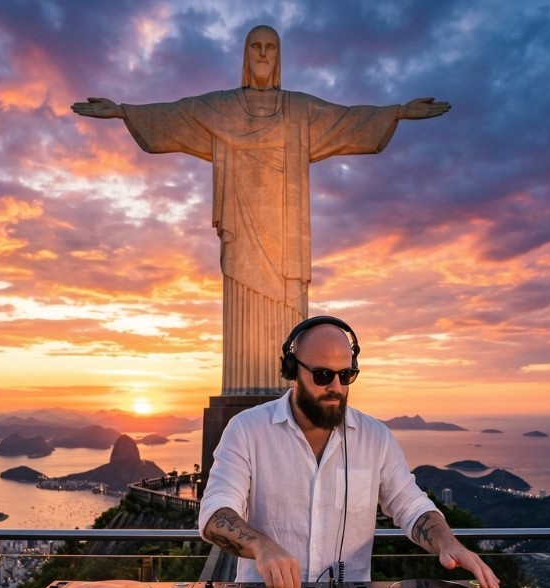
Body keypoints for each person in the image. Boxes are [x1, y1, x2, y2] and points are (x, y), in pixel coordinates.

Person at [72, 26, 450, 395]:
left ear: (279, 56)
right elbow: (176, 115)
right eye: (257, 47)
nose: (264, 55)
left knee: (288, 311)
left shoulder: (299, 111)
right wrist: (122, 111)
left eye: (271, 47)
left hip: (285, 237)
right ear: (246, 56)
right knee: (242, 304)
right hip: (242, 227)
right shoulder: (222, 108)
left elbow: (347, 119)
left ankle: (286, 389)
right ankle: (243, 386)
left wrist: (398, 112)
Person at [197, 316, 500, 588]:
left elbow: (411, 506)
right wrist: (261, 547)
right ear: (292, 371)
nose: (336, 388)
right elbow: (215, 513)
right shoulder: (247, 430)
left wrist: (447, 542)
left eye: (346, 375)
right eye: (323, 375)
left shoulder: (375, 437)